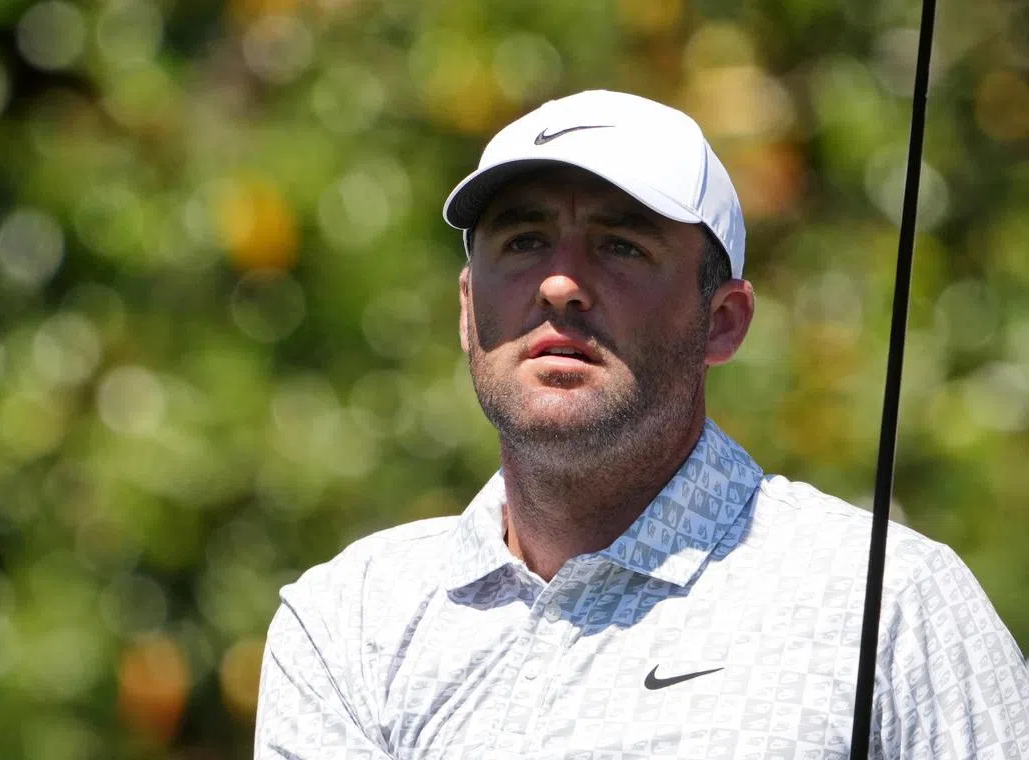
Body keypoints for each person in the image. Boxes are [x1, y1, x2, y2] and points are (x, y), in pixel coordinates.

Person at [253, 90, 1029, 759]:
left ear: (721, 322)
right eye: (522, 242)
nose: (559, 283)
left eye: (621, 246)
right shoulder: (351, 622)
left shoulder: (888, 602)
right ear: (467, 310)